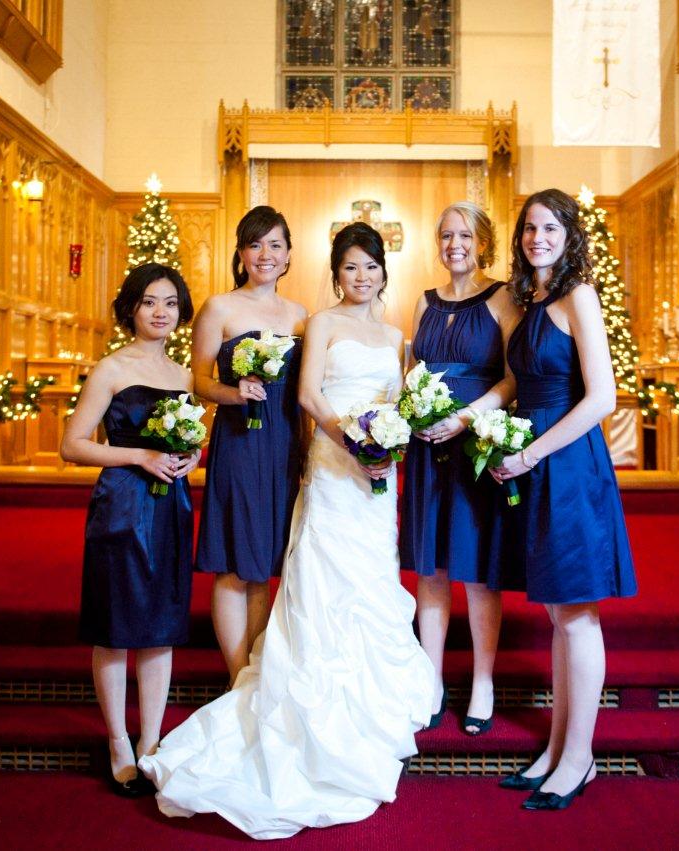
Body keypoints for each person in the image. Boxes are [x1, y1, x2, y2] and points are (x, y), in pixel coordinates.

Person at [142, 223, 434, 840]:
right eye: (350, 267)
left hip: (374, 478)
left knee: (370, 577)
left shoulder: (395, 337)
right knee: (313, 576)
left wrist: (389, 444)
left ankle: (368, 699)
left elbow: (401, 404)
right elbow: (306, 395)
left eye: (370, 266)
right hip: (333, 461)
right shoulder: (317, 322)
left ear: (384, 271)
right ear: (335, 274)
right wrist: (353, 441)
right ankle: (271, 682)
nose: (361, 276)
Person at [491, 189, 637, 810]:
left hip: (569, 464)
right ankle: (556, 749)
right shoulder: (531, 301)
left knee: (577, 615)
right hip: (536, 460)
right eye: (529, 228)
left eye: (550, 228)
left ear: (569, 234)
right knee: (558, 613)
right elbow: (514, 384)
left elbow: (602, 397)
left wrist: (529, 455)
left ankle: (580, 760)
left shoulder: (580, 296)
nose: (538, 238)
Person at [60, 263, 200, 796]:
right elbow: (73, 445)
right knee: (115, 625)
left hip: (171, 507)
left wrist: (190, 457)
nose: (161, 312)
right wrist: (140, 456)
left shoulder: (184, 375)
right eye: (149, 302)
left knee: (162, 624)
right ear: (131, 309)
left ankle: (151, 741)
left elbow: (189, 440)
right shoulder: (111, 369)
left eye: (170, 302)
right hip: (121, 505)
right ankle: (118, 740)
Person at [400, 201, 522, 736]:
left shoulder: (503, 298)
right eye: (447, 235)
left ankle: (482, 683)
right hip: (428, 448)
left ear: (483, 243)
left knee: (473, 569)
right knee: (430, 568)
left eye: (465, 236)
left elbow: (513, 378)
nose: (455, 245)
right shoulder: (424, 302)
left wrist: (466, 418)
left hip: (475, 444)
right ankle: (430, 681)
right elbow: (412, 372)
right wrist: (414, 413)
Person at [190, 206, 308, 683]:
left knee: (262, 563)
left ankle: (254, 671)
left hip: (283, 444)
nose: (265, 254)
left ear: (288, 255)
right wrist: (234, 392)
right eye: (255, 244)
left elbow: (303, 393)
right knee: (234, 562)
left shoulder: (299, 315)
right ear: (241, 253)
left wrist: (305, 454)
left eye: (275, 245)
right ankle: (237, 675)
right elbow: (198, 380)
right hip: (239, 441)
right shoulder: (219, 307)